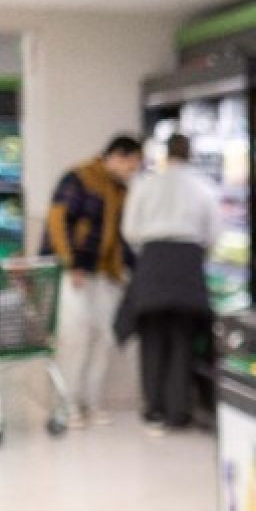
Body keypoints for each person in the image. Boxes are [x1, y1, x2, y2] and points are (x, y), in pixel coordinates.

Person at [116, 133, 221, 434]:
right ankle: (178, 411)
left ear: (166, 153)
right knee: (182, 339)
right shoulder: (204, 187)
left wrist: (149, 252)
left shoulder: (145, 184)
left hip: (152, 261)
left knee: (151, 339)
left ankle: (154, 409)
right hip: (188, 264)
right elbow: (214, 234)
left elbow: (129, 230)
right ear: (190, 153)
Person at [41, 134, 143, 429]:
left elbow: (120, 238)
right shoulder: (79, 178)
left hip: (104, 275)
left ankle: (92, 401)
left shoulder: (120, 190)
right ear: (118, 156)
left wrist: (134, 270)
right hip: (74, 273)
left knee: (104, 337)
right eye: (132, 165)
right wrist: (70, 262)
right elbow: (58, 220)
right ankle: (67, 404)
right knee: (74, 338)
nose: (132, 172)